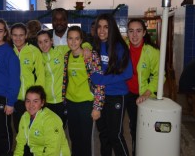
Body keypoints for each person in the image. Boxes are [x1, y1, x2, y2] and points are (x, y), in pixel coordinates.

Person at [90, 13, 132, 156]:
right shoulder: (95, 46)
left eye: (106, 27)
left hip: (117, 96)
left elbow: (127, 74)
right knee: (104, 135)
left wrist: (101, 80)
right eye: (99, 27)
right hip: (100, 97)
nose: (101, 30)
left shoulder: (120, 47)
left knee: (116, 135)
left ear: (112, 28)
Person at [62, 26, 105, 156]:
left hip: (86, 103)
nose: (73, 42)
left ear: (81, 40)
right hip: (71, 102)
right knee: (74, 138)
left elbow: (99, 83)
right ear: (67, 40)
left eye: (76, 39)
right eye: (70, 38)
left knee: (86, 139)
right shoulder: (67, 56)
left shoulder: (90, 56)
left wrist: (97, 107)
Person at [0, 18, 21, 156]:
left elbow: (15, 81)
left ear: (5, 33)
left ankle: (6, 152)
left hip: (3, 97)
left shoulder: (9, 53)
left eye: (0, 31)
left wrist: (11, 102)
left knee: (3, 129)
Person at [125, 18, 160, 156]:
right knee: (122, 127)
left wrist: (146, 93)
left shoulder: (152, 52)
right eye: (131, 31)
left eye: (138, 31)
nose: (134, 35)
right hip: (124, 92)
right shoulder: (122, 48)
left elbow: (158, 76)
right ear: (127, 33)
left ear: (144, 32)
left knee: (138, 128)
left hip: (141, 95)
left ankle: (137, 152)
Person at [14, 85, 70, 156]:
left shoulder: (51, 120)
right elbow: (20, 143)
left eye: (35, 101)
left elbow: (52, 150)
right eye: (28, 101)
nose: (31, 105)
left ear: (42, 103)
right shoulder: (25, 117)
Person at [10, 23, 45, 134]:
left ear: (26, 36)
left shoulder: (34, 51)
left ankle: (33, 151)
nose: (18, 38)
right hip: (15, 98)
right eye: (15, 35)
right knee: (19, 129)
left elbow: (40, 75)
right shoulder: (8, 51)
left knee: (33, 129)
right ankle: (23, 151)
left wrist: (37, 97)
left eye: (21, 35)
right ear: (11, 36)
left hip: (30, 99)